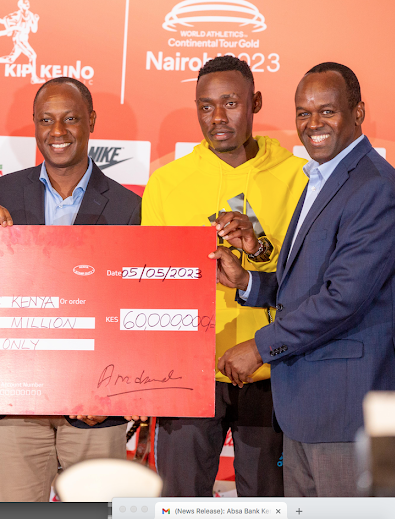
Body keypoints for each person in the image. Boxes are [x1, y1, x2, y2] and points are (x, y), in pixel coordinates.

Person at [212, 62, 395, 497]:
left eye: (327, 111)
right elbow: (308, 286)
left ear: (358, 113)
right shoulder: (322, 178)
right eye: (303, 113)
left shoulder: (374, 186)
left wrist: (259, 347)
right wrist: (248, 282)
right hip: (310, 409)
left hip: (355, 412)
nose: (313, 124)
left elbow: (342, 299)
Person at [142, 56, 307, 497]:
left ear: (254, 102)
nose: (217, 118)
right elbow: (149, 287)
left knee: (267, 502)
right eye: (205, 106)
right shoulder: (167, 183)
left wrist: (260, 248)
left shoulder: (299, 178)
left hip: (270, 369)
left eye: (231, 103)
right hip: (187, 374)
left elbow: (309, 282)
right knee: (180, 503)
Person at [0, 77, 142, 502]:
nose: (58, 132)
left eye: (70, 119)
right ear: (34, 124)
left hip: (95, 408)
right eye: (46, 120)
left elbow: (132, 308)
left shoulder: (128, 206)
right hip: (19, 403)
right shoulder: (3, 192)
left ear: (92, 123)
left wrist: (110, 392)